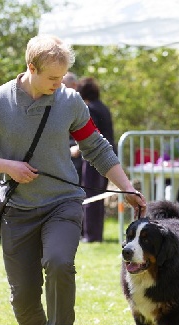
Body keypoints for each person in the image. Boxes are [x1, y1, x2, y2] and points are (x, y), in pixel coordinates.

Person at [0, 34, 146, 325]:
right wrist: (8, 167)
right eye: (51, 78)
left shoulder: (70, 100)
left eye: (63, 77)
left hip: (63, 202)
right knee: (23, 292)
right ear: (31, 67)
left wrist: (127, 187)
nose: (59, 84)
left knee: (60, 261)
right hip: (16, 208)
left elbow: (97, 148)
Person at [77, 77, 116, 242]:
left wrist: (77, 149)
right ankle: (95, 234)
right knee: (98, 197)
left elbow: (91, 135)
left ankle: (91, 235)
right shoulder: (103, 108)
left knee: (91, 195)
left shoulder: (90, 109)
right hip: (108, 156)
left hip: (95, 158)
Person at [62, 72, 83, 184]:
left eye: (63, 83)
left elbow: (95, 134)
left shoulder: (82, 105)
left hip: (79, 158)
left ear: (74, 85)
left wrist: (78, 147)